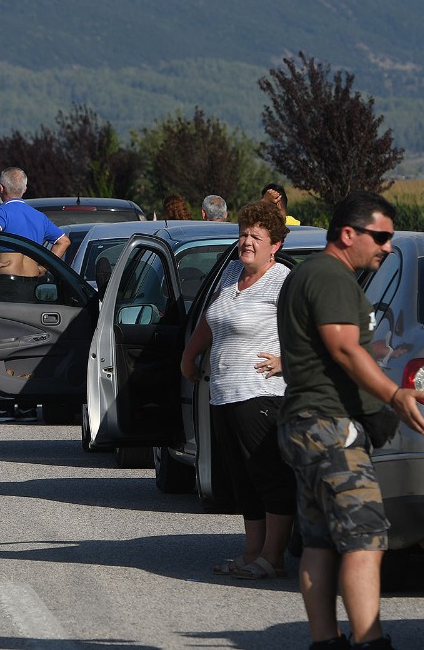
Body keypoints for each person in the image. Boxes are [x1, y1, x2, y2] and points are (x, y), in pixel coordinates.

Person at [276, 191, 424, 650]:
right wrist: (393, 394)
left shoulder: (307, 274)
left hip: (305, 425)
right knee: (365, 538)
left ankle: (326, 641)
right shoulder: (333, 278)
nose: (386, 246)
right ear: (349, 234)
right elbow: (345, 348)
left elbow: (331, 350)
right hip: (329, 428)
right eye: (380, 236)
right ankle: (369, 641)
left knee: (320, 542)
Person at [180, 200, 295, 580]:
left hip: (261, 393)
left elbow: (309, 327)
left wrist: (287, 361)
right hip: (223, 392)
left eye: (256, 237)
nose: (246, 242)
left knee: (268, 474)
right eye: (243, 234)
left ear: (274, 244)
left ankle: (273, 558)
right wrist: (189, 355)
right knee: (242, 478)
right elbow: (212, 322)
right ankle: (252, 552)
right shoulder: (231, 273)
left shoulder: (283, 280)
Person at [0, 166, 71, 423]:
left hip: (6, 282)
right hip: (32, 282)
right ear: (25, 189)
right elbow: (63, 241)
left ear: (1, 189)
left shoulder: (0, 212)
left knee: (1, 341)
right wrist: (45, 266)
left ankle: (4, 405)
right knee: (28, 342)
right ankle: (27, 405)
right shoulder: (37, 216)